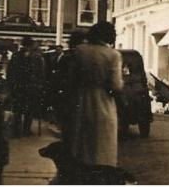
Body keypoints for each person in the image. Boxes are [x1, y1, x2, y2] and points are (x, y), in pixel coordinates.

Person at [68, 22, 122, 167]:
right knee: (102, 145)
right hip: (103, 102)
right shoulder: (113, 55)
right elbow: (115, 85)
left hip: (80, 101)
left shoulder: (79, 51)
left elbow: (71, 79)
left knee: (82, 143)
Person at [6, 36, 45, 137]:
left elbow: (9, 72)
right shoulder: (36, 57)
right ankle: (26, 130)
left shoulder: (16, 56)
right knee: (29, 110)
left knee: (18, 110)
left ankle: (17, 130)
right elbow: (40, 74)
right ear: (31, 45)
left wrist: (11, 85)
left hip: (18, 87)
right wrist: (39, 85)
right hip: (30, 88)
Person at [51, 31, 86, 144]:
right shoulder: (82, 58)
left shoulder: (66, 58)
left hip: (67, 96)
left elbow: (59, 78)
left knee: (68, 128)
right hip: (77, 97)